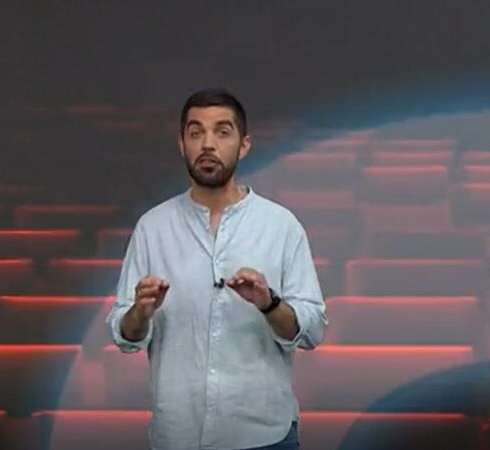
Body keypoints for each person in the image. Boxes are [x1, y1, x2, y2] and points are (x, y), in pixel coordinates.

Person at [106, 88, 328, 450]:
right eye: (196, 133)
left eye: (222, 132)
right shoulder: (153, 227)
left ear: (244, 145)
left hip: (264, 436)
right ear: (182, 144)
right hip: (178, 436)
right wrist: (140, 313)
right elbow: (124, 335)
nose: (207, 144)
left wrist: (269, 304)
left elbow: (313, 330)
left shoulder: (280, 226)